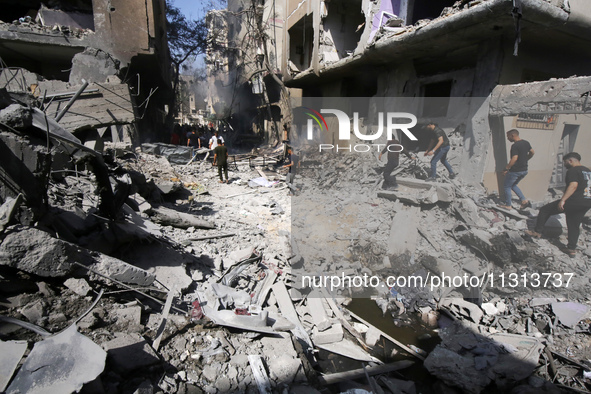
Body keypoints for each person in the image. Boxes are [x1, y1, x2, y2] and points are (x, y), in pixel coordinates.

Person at [526, 152, 591, 257]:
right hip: (586, 201)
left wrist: (563, 200)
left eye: (565, 162)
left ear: (570, 161)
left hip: (573, 201)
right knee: (574, 224)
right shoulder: (588, 171)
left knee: (545, 210)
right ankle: (571, 249)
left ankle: (537, 232)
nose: (564, 165)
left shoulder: (573, 171)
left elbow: (573, 185)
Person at [499, 129, 534, 210]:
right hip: (524, 170)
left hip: (515, 171)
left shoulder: (515, 146)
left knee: (507, 186)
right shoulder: (526, 143)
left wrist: (506, 168)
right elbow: (532, 152)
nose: (508, 139)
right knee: (513, 185)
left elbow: (514, 158)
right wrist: (525, 159)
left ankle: (508, 205)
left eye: (508, 137)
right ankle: (524, 200)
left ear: (513, 135)